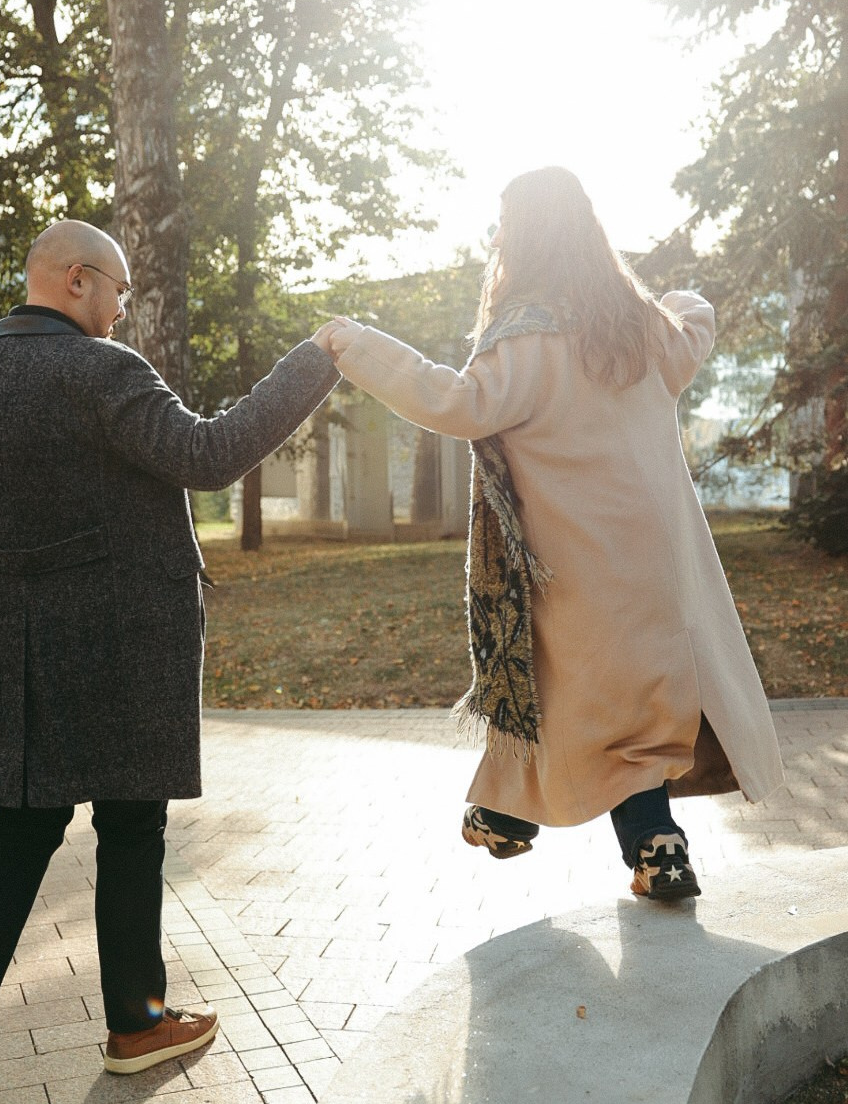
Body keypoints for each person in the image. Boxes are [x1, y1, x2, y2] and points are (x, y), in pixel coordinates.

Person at [0, 219, 339, 1104]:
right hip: (121, 642)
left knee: (24, 824)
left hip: (18, 650)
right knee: (131, 826)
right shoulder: (103, 372)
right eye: (120, 291)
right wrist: (316, 359)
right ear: (75, 281)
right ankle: (137, 1023)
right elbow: (209, 454)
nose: (122, 309)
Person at [314, 166, 783, 901]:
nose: (496, 238)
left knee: (569, 696)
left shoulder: (529, 339)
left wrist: (361, 346)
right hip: (663, 566)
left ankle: (540, 825)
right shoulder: (642, 331)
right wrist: (670, 296)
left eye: (504, 225)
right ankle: (566, 828)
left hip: (577, 564)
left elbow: (459, 402)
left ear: (526, 237)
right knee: (631, 709)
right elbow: (696, 320)